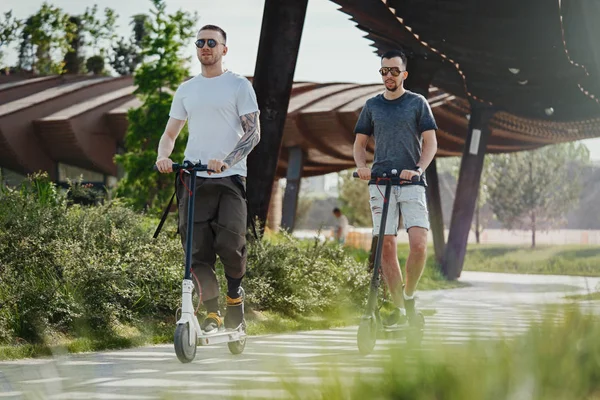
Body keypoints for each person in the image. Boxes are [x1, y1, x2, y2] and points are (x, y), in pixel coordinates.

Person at [155, 25, 260, 334]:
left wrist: (226, 161)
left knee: (230, 244)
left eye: (211, 42)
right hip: (193, 177)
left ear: (223, 49)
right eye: (200, 42)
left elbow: (253, 132)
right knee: (196, 250)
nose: (205, 47)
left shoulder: (238, 85)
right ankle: (211, 313)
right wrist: (163, 156)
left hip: (229, 179)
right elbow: (170, 133)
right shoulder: (187, 88)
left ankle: (233, 297)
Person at [353, 49, 438, 327]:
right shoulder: (372, 105)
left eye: (393, 71)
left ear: (404, 74)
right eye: (383, 71)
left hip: (411, 182)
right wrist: (362, 166)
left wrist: (418, 170)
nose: (388, 75)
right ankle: (401, 312)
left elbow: (430, 143)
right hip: (379, 183)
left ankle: (409, 296)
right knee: (386, 246)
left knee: (419, 245)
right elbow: (359, 143)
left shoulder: (417, 103)